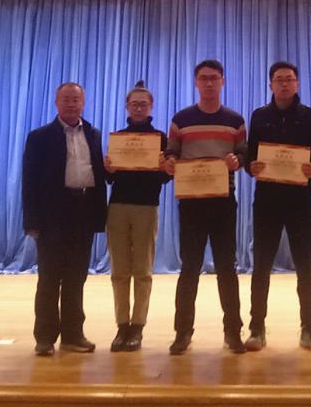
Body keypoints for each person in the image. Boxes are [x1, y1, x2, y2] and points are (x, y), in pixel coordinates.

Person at [244, 61, 311, 353]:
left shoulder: (309, 116)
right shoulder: (259, 116)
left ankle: (309, 328)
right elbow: (249, 156)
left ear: (297, 83)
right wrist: (251, 166)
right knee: (261, 267)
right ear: (270, 84)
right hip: (266, 201)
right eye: (279, 79)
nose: (284, 84)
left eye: (289, 79)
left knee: (305, 267)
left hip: (299, 202)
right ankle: (256, 327)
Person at [164, 59, 247, 355]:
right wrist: (170, 162)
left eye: (214, 78)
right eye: (203, 78)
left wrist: (238, 160)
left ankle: (233, 332)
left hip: (223, 202)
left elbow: (244, 154)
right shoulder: (181, 119)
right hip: (191, 204)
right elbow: (171, 152)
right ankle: (182, 333)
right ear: (196, 82)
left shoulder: (235, 120)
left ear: (222, 81)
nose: (209, 83)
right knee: (189, 268)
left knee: (227, 268)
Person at [21, 82, 107, 357]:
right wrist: (31, 221)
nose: (71, 104)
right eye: (66, 99)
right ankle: (45, 337)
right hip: (52, 215)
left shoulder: (93, 134)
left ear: (83, 103)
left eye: (76, 100)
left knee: (76, 278)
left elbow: (98, 173)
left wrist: (99, 216)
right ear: (56, 103)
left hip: (83, 212)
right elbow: (29, 181)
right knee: (49, 278)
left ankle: (73, 335)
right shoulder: (39, 137)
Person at [104, 81, 171, 352]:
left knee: (142, 271)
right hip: (117, 207)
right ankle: (122, 326)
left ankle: (138, 327)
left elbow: (166, 178)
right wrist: (108, 168)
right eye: (135, 104)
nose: (139, 108)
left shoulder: (161, 138)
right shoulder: (118, 137)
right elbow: (109, 178)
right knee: (119, 271)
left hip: (146, 207)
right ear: (127, 107)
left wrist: (165, 168)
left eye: (144, 104)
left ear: (151, 107)